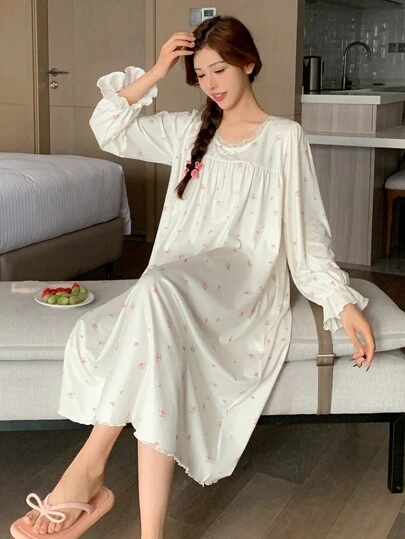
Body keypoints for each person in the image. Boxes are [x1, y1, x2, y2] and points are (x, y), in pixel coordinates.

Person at [11, 15, 375, 539]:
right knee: (157, 331)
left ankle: (86, 471)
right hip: (176, 283)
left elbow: (306, 232)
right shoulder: (186, 131)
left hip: (241, 286)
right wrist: (158, 69)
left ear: (249, 63)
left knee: (156, 291)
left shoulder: (283, 136)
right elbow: (108, 126)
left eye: (220, 70)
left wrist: (341, 301)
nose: (211, 84)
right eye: (201, 75)